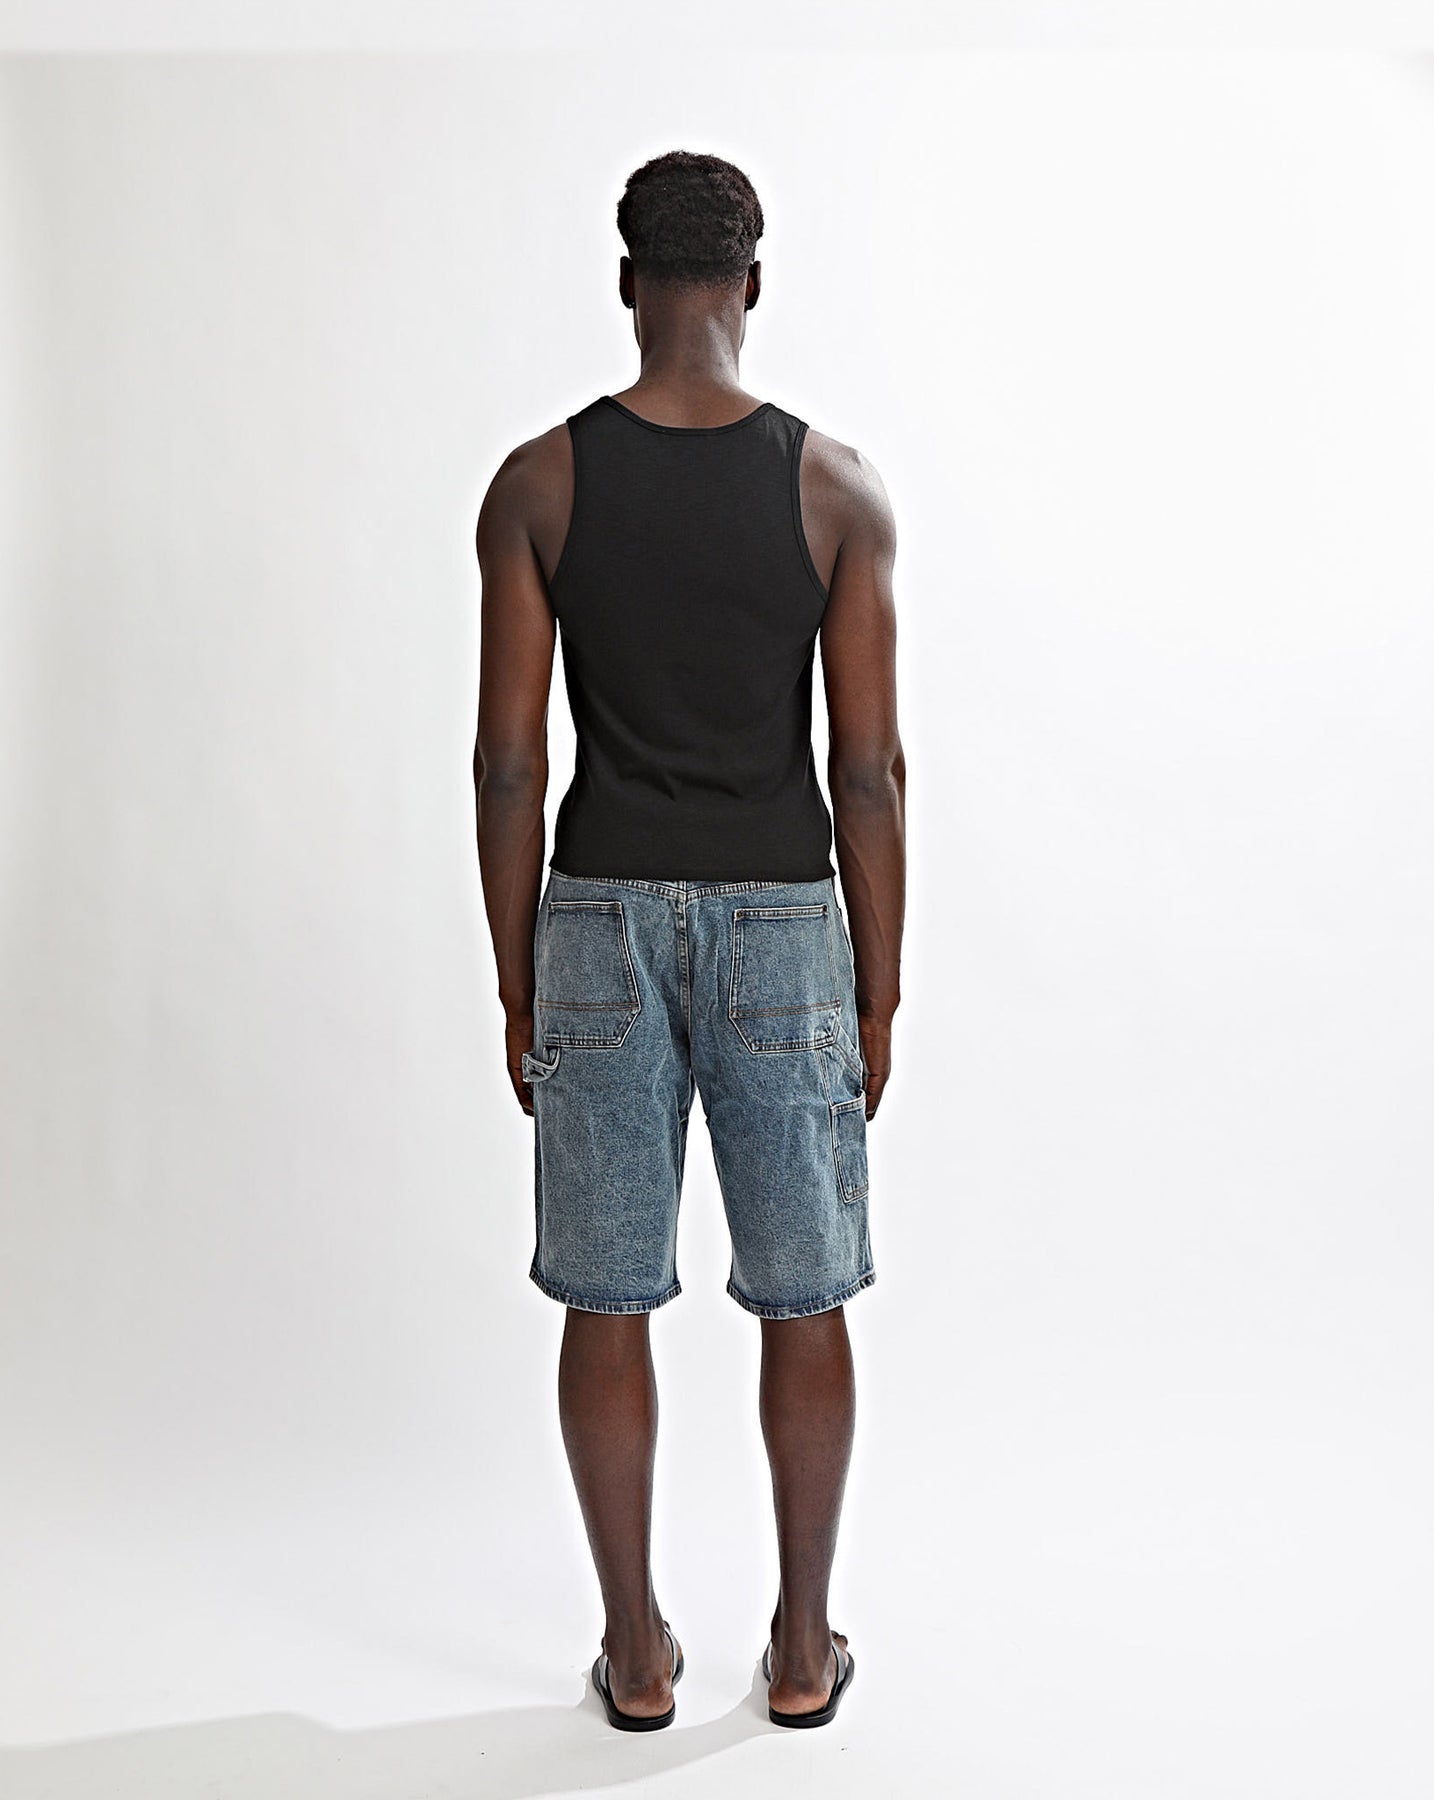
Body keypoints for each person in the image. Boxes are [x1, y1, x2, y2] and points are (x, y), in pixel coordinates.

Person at [473, 149, 905, 1732]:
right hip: (786, 921)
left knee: (605, 1300)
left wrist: (516, 981)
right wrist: (878, 989)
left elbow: (506, 764)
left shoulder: (539, 484)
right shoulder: (833, 488)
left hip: (595, 916)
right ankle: (798, 1651)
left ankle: (638, 1655)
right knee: (804, 1296)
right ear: (752, 284)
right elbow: (869, 769)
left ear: (625, 282)